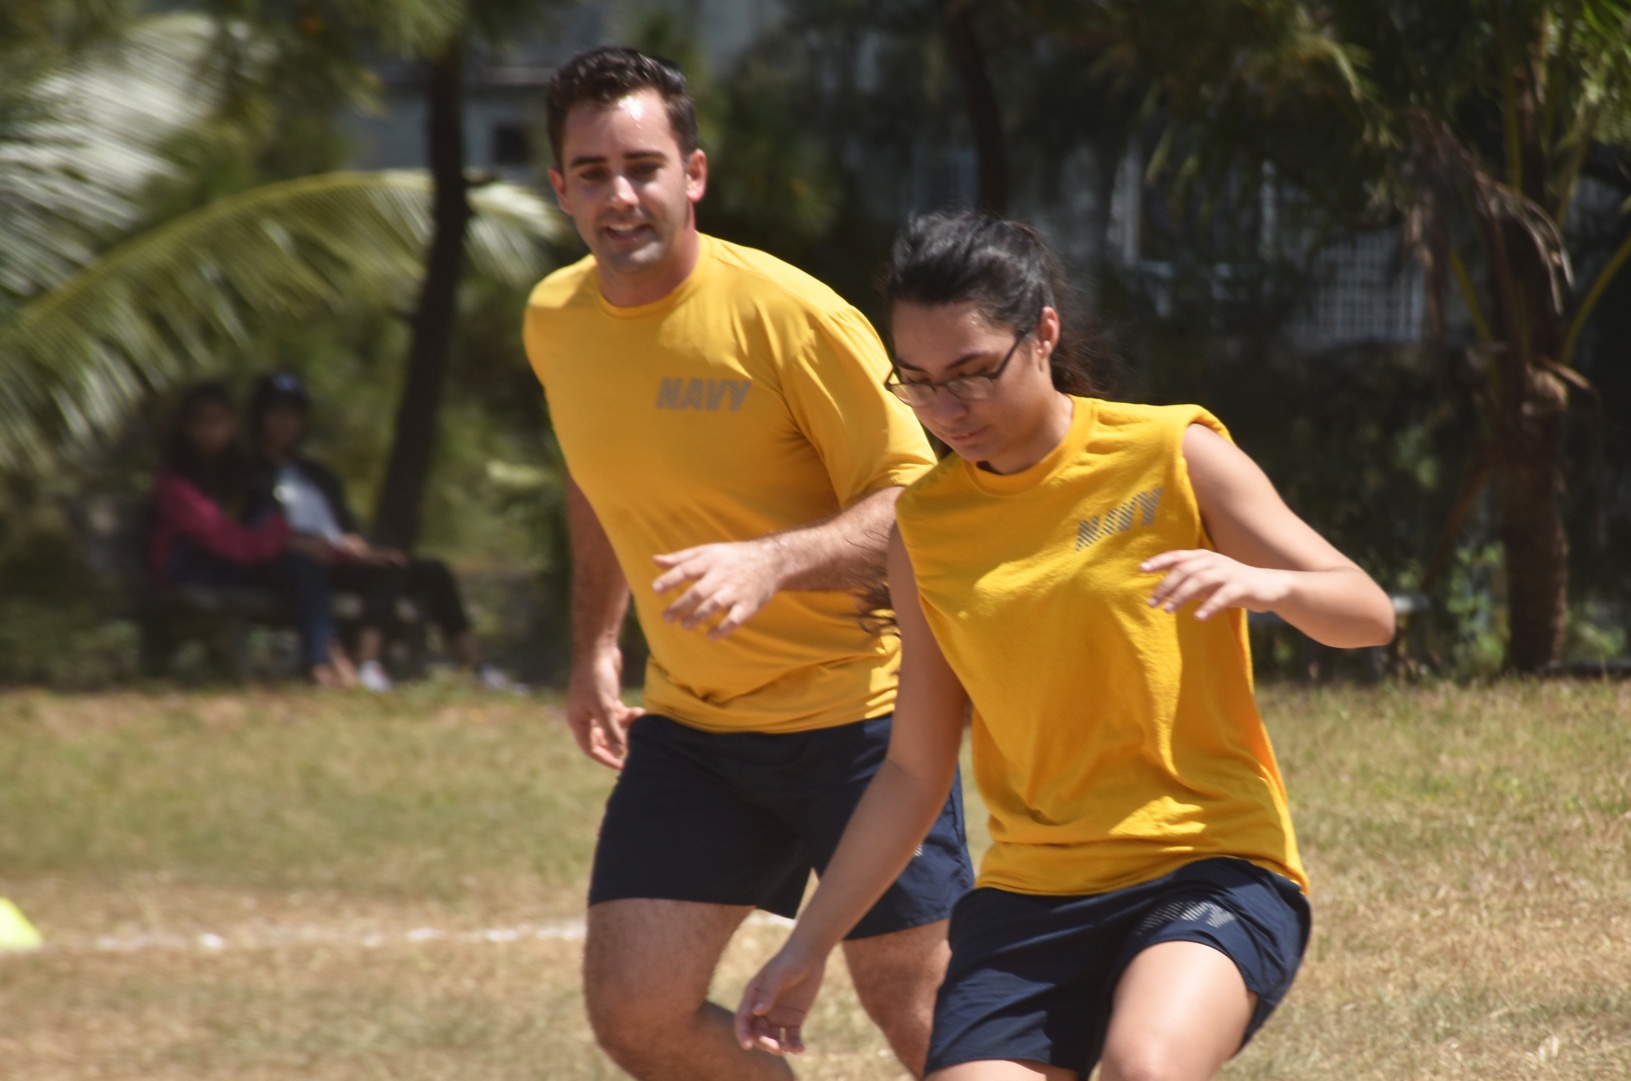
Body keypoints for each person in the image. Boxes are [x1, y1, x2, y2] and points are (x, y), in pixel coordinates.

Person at [735, 211, 1398, 1081]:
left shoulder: (1170, 452)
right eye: (920, 382)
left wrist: (1267, 585)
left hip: (1206, 863)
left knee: (1142, 1067)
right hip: (1031, 899)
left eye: (972, 372)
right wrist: (806, 947)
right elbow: (912, 770)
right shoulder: (924, 528)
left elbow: (1367, 610)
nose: (946, 409)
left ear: (1042, 333)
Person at [523, 47, 974, 1081]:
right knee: (637, 1011)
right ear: (559, 188)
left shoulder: (790, 318)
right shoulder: (555, 320)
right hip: (694, 727)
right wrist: (596, 642)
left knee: (919, 1014)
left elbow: (925, 501)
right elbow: (593, 476)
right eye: (590, 172)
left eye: (642, 166)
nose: (619, 194)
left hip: (861, 719)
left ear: (694, 174)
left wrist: (775, 561)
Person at [247, 372, 507, 692]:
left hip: (340, 557)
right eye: (277, 413)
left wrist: (358, 549)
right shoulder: (248, 473)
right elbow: (254, 530)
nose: (285, 423)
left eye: (293, 414)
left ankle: (477, 665)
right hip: (296, 564)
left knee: (423, 569)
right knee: (386, 570)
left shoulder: (317, 474)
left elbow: (346, 526)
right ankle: (367, 663)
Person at [149, 381, 354, 687]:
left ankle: (326, 657)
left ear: (233, 425)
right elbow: (218, 536)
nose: (212, 431)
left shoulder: (240, 474)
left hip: (237, 563)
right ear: (185, 427)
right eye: (203, 422)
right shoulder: (176, 481)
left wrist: (333, 551)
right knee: (298, 562)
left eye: (220, 421)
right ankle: (324, 661)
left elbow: (267, 524)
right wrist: (285, 543)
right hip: (193, 569)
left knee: (304, 564)